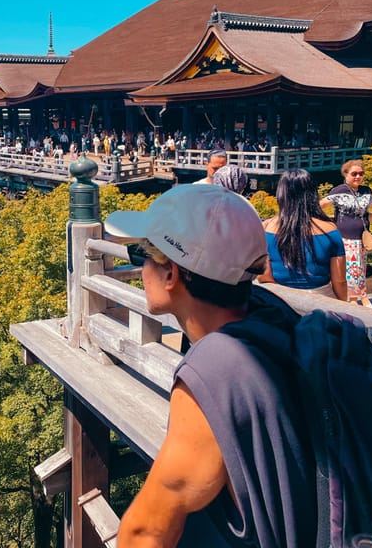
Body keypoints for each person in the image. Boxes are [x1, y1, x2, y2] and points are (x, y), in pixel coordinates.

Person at [106, 185, 316, 548]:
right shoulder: (272, 314)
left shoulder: (216, 368)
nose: (139, 267)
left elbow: (147, 531)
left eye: (141, 253)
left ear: (171, 273)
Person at [259, 169, 347, 299]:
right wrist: (344, 305)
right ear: (312, 193)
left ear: (282, 194)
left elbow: (264, 276)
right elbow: (339, 281)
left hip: (282, 300)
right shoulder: (330, 229)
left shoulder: (267, 227)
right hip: (322, 300)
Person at [321, 159, 372, 306]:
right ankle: (353, 298)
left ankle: (360, 296)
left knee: (360, 268)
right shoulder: (338, 191)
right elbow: (322, 205)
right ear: (345, 174)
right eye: (354, 174)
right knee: (350, 270)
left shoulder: (366, 191)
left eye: (361, 173)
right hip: (344, 238)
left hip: (362, 238)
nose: (358, 176)